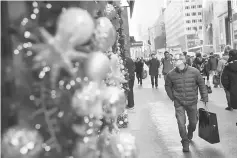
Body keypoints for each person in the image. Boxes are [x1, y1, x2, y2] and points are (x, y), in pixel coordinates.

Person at [165, 54, 208, 152]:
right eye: (174, 60)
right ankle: (185, 141)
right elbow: (167, 86)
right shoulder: (170, 74)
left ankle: (190, 132)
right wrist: (172, 97)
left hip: (192, 101)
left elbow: (201, 84)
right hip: (179, 102)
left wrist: (205, 97)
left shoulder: (194, 72)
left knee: (193, 122)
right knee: (181, 123)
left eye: (177, 59)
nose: (175, 61)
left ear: (183, 60)